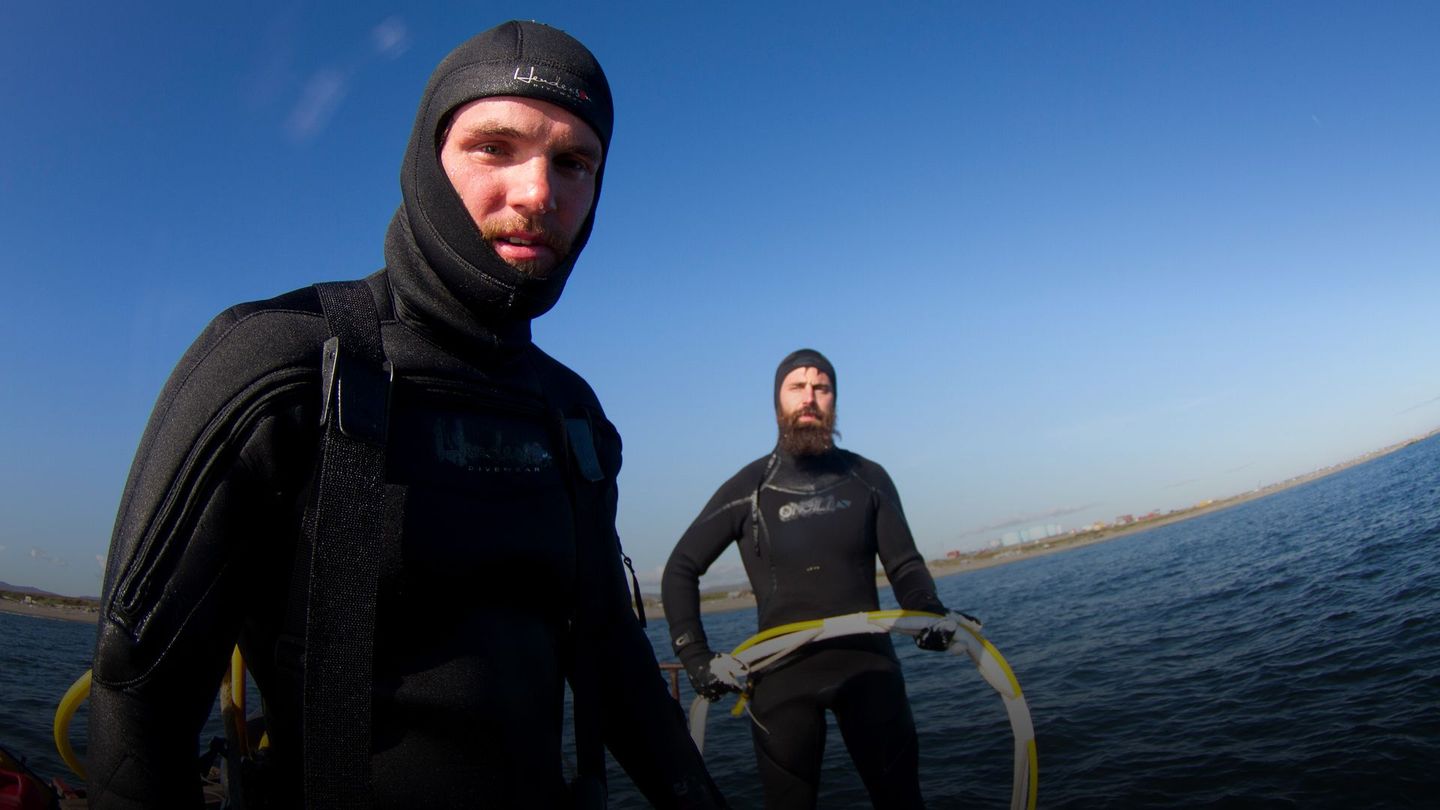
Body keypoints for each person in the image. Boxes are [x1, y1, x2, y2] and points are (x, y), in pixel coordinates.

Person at [89, 21, 725, 810]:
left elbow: (614, 655)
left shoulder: (573, 416)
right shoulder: (279, 365)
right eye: (495, 147)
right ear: (426, 164)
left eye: (574, 163)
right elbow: (137, 692)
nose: (538, 194)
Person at [661, 349, 976, 809]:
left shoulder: (868, 478)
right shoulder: (749, 488)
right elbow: (680, 569)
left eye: (821, 387)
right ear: (777, 402)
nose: (809, 397)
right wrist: (695, 657)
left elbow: (905, 566)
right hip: (781, 679)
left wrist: (927, 609)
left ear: (833, 400)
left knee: (903, 801)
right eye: (797, 387)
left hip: (869, 666)